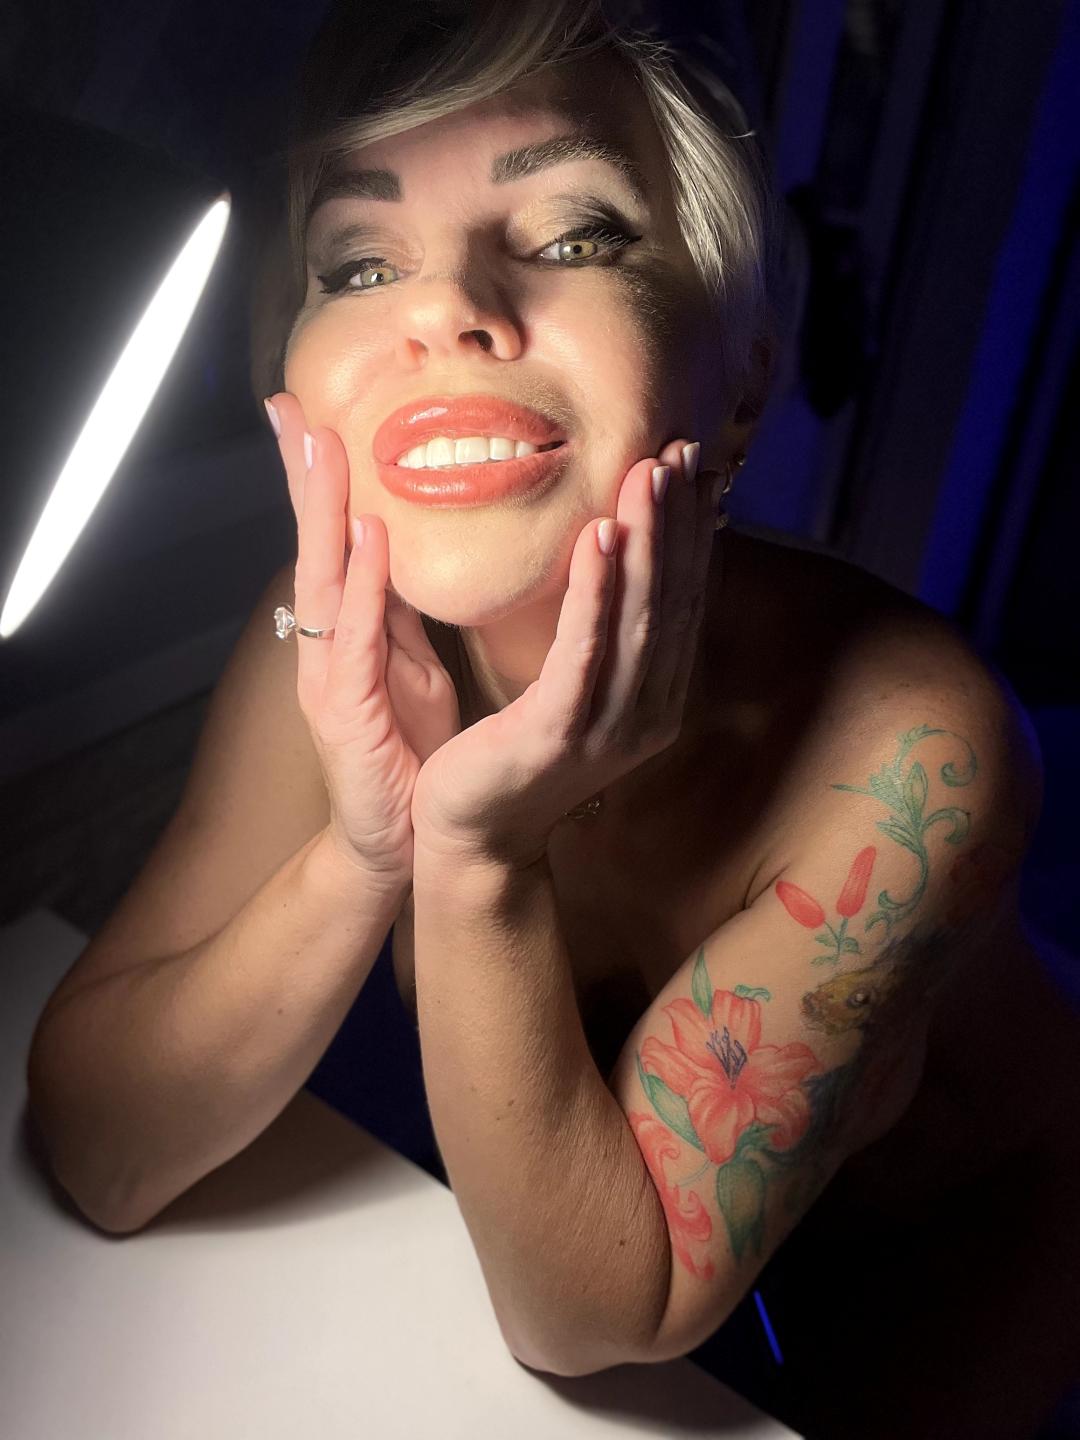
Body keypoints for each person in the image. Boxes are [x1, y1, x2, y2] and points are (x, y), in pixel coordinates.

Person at [27, 2, 1079, 1436]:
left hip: (945, 1255)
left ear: (744, 376)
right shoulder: (331, 641)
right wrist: (367, 847)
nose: (443, 305)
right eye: (360, 261)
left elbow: (585, 1319)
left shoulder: (919, 745)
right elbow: (98, 1150)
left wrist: (479, 854)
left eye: (576, 234)